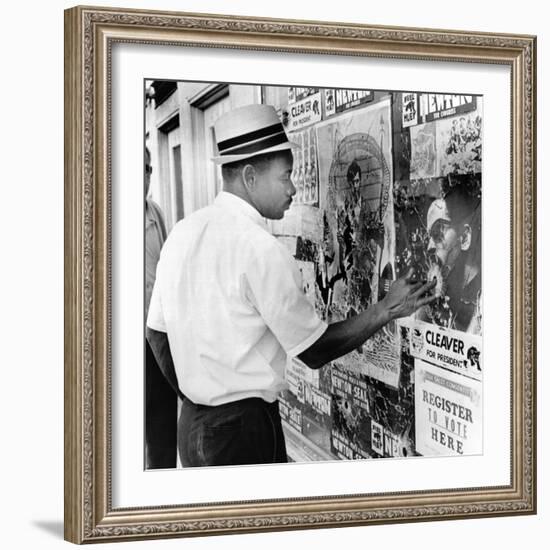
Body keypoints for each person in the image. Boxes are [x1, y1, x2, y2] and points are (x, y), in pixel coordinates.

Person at [146, 104, 436, 467]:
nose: (294, 189)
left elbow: (157, 334)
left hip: (193, 428)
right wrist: (385, 309)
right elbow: (313, 350)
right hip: (242, 434)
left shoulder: (182, 232)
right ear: (250, 177)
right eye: (286, 177)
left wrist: (201, 393)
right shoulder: (259, 248)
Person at [144, 146, 178, 469]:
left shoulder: (155, 213)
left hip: (156, 333)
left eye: (148, 169)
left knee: (162, 423)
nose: (145, 177)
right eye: (139, 168)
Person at [424, 181, 481, 333]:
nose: (429, 246)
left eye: (438, 233)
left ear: (464, 237)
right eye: (428, 237)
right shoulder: (449, 291)